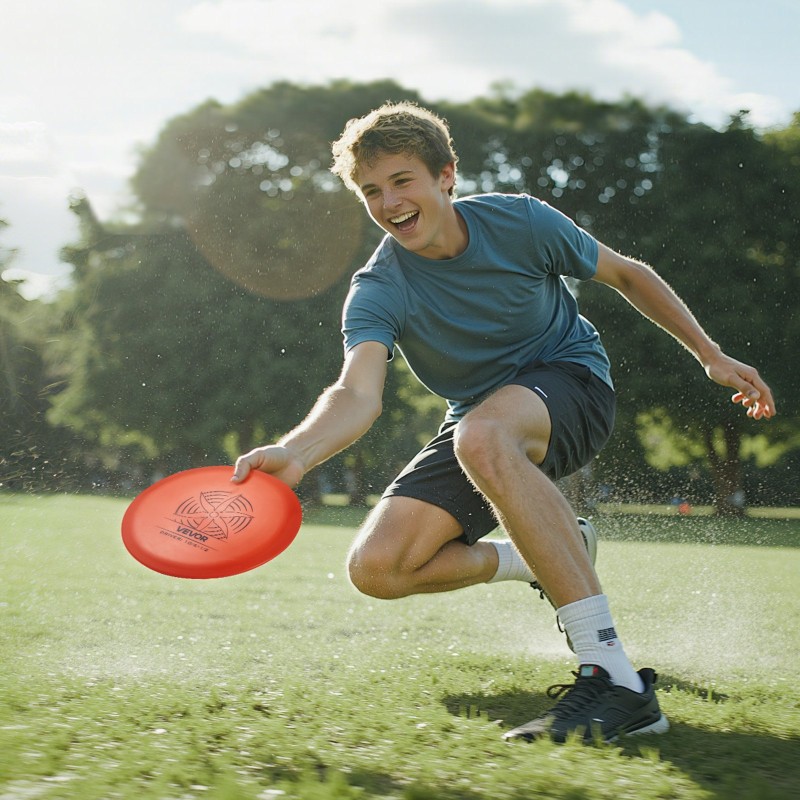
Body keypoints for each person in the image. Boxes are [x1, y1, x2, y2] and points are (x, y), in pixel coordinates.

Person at [232, 102, 775, 743]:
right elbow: (357, 392)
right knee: (378, 568)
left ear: (445, 176)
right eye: (371, 191)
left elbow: (628, 273)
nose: (389, 202)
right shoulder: (378, 287)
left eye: (402, 180)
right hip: (478, 428)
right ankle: (543, 552)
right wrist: (297, 453)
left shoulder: (520, 221)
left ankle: (615, 678)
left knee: (482, 436)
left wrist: (709, 356)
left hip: (571, 385)